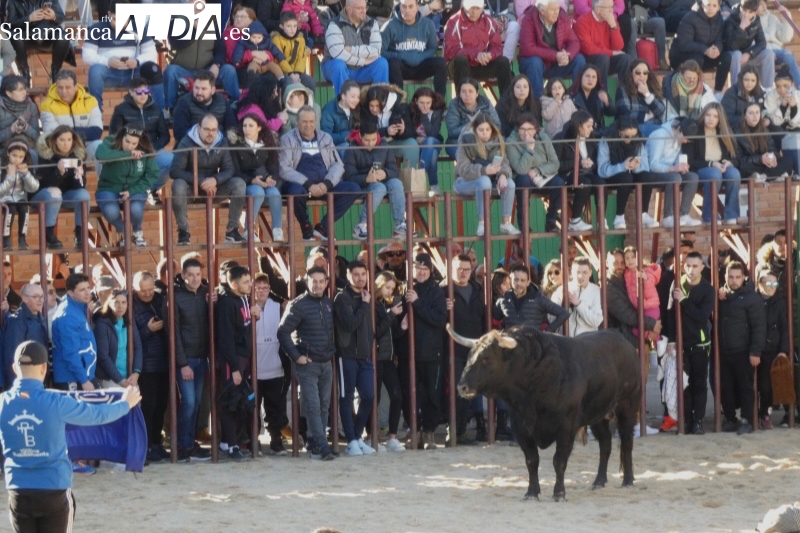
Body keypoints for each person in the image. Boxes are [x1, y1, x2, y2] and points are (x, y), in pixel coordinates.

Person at [0, 341, 141, 532]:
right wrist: (125, 404)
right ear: (44, 368)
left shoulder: (2, 403)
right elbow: (97, 415)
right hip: (53, 488)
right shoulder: (57, 402)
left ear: (15, 368)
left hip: (18, 491)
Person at [278, 266, 337, 461]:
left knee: (323, 405)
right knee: (312, 405)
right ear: (307, 282)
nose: (318, 285)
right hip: (307, 364)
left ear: (327, 283)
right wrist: (296, 356)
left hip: (326, 363)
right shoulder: (298, 305)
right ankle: (322, 446)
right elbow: (283, 332)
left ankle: (313, 441)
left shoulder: (328, 303)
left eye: (321, 281)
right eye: (314, 281)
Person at [279, 106, 363, 241]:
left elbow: (338, 164)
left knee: (353, 189)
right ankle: (306, 228)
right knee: (294, 192)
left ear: (316, 121)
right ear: (297, 122)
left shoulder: (325, 138)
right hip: (301, 187)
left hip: (325, 185)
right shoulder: (287, 139)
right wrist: (308, 184)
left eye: (311, 121)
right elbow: (284, 168)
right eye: (304, 122)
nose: (308, 125)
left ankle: (323, 227)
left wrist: (327, 184)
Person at [509, 113, 594, 233]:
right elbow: (521, 169)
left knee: (559, 183)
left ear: (535, 129)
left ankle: (551, 222)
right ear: (517, 129)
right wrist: (529, 149)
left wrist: (538, 170)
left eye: (529, 129)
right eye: (522, 129)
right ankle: (524, 225)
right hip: (523, 177)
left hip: (541, 175)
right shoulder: (511, 142)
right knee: (523, 180)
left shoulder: (543, 138)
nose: (526, 133)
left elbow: (555, 164)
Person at [170, 114, 246, 245]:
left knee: (239, 184)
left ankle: (232, 231)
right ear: (199, 128)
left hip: (214, 189)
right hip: (190, 189)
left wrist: (215, 180)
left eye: (213, 130)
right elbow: (175, 171)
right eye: (206, 129)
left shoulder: (222, 142)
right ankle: (183, 232)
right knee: (177, 185)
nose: (210, 133)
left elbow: (229, 169)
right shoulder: (186, 142)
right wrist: (200, 181)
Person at [666, 250, 714, 434]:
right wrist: (671, 340)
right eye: (688, 265)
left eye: (695, 266)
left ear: (702, 267)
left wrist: (684, 300)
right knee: (683, 384)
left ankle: (698, 420)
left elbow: (702, 317)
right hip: (681, 344)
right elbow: (670, 315)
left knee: (699, 383)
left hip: (700, 345)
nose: (691, 270)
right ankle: (686, 419)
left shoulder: (707, 289)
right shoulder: (677, 285)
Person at [81, 7, 164, 111]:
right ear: (109, 14)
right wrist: (107, 61)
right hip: (109, 73)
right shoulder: (97, 28)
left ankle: (160, 111)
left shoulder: (139, 28)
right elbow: (86, 55)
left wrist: (137, 61)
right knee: (95, 71)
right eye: (115, 19)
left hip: (133, 72)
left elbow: (152, 53)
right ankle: (96, 112)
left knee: (153, 68)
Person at [333, 260, 377, 456]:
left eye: (363, 274)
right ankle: (351, 440)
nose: (360, 278)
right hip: (347, 356)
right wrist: (365, 305)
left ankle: (357, 436)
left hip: (365, 357)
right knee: (346, 397)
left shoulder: (367, 296)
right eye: (356, 274)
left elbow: (370, 329)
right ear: (349, 276)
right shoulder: (342, 298)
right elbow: (350, 324)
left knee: (369, 395)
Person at [718, 260, 765, 435]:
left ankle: (746, 420)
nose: (734, 280)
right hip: (724, 351)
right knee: (726, 387)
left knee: (745, 387)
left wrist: (755, 351)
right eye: (731, 277)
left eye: (738, 277)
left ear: (744, 277)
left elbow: (759, 327)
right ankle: (730, 419)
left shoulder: (752, 298)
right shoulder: (722, 295)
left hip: (744, 351)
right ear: (725, 277)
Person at [455, 112, 521, 237]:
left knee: (510, 183)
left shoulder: (498, 141)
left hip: (491, 182)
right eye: (481, 130)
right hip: (465, 182)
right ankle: (482, 223)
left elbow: (504, 162)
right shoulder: (466, 142)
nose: (484, 133)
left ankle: (506, 222)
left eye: (487, 129)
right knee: (484, 181)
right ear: (475, 130)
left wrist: (502, 175)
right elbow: (463, 170)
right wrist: (484, 170)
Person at [444, 254, 487, 444]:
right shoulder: (444, 291)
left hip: (475, 349)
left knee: (469, 390)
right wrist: (443, 308)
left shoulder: (478, 289)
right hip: (452, 348)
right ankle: (452, 431)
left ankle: (460, 432)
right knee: (456, 392)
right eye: (459, 269)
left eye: (467, 269)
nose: (463, 273)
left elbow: (484, 318)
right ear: (451, 269)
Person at [406, 253, 448, 450]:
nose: (421, 272)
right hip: (410, 352)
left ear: (430, 271)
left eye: (425, 269)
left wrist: (417, 303)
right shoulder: (406, 289)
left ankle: (429, 432)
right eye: (418, 268)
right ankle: (414, 431)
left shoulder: (436, 291)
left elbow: (439, 319)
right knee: (411, 394)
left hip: (432, 352)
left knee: (432, 394)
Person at [174, 258, 212, 462]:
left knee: (196, 402)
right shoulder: (176, 297)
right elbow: (175, 333)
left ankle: (190, 444)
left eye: (198, 274)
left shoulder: (206, 293)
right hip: (186, 359)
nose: (195, 278)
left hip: (201, 357)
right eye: (191, 275)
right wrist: (182, 363)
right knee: (188, 402)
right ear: (183, 276)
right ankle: (182, 445)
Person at [215, 266, 256, 461]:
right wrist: (235, 368)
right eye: (246, 282)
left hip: (243, 358)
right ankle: (231, 446)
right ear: (234, 284)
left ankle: (227, 441)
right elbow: (226, 338)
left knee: (240, 402)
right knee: (231, 402)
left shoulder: (243, 299)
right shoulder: (226, 304)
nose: (250, 284)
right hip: (233, 360)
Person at [133, 271, 173, 463]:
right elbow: (131, 338)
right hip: (145, 364)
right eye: (143, 291)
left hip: (164, 361)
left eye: (150, 289)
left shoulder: (160, 299)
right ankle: (147, 445)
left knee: (161, 405)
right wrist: (147, 330)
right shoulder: (131, 304)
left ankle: (157, 443)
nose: (148, 294)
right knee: (147, 407)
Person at [95, 128, 159, 247]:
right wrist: (128, 154)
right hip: (109, 188)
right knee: (111, 211)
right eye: (127, 141)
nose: (130, 146)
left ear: (139, 142)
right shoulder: (110, 141)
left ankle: (137, 231)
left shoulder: (145, 150)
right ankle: (123, 232)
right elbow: (100, 155)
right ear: (121, 138)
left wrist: (132, 191)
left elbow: (152, 174)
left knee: (135, 208)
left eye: (134, 144)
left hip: (135, 189)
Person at [344, 120, 407, 240]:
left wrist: (385, 173)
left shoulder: (384, 146)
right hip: (363, 185)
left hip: (382, 179)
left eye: (373, 139)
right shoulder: (351, 149)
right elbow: (348, 176)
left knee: (397, 183)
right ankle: (361, 225)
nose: (371, 143)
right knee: (380, 187)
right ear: (360, 137)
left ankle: (400, 225)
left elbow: (394, 169)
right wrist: (366, 179)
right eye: (367, 140)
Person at [109, 78, 173, 196]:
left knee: (172, 160)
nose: (143, 95)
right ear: (131, 92)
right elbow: (115, 135)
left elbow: (165, 136)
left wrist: (152, 149)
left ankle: (151, 188)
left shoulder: (156, 109)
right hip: (130, 152)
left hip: (152, 150)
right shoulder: (121, 109)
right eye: (139, 92)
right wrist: (130, 150)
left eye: (146, 91)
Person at [32, 126, 91, 249]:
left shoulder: (76, 155)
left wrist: (78, 174)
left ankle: (80, 235)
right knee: (55, 192)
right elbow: (43, 182)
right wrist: (59, 173)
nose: (66, 144)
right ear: (55, 140)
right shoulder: (45, 154)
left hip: (65, 195)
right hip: (42, 194)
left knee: (84, 195)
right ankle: (49, 235)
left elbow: (79, 186)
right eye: (62, 140)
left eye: (69, 140)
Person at [228, 113, 284, 242]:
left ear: (259, 128)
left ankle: (277, 230)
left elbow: (274, 167)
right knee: (258, 193)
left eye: (250, 126)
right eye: (244, 126)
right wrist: (252, 180)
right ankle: (248, 231)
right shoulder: (235, 144)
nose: (247, 129)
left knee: (275, 193)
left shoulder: (267, 143)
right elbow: (234, 170)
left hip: (265, 180)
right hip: (246, 182)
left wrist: (271, 178)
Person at [684, 102, 742, 225]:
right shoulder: (695, 130)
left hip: (720, 166)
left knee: (734, 174)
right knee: (714, 175)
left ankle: (731, 216)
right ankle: (709, 217)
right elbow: (689, 160)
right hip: (702, 168)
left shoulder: (725, 132)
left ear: (720, 119)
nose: (711, 119)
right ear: (703, 115)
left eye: (715, 116)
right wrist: (711, 163)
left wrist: (729, 162)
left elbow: (737, 157)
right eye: (708, 115)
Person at [252, 273, 289, 456]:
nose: (261, 291)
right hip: (255, 368)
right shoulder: (248, 307)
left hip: (275, 367)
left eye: (265, 287)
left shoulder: (279, 307)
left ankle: (275, 440)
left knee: (274, 406)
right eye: (257, 288)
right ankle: (254, 441)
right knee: (253, 407)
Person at [518, 0, 586, 99]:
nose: (556, 12)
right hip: (534, 66)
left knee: (579, 59)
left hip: (556, 64)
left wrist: (568, 55)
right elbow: (528, 48)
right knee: (535, 62)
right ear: (542, 11)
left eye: (557, 8)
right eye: (553, 10)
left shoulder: (562, 17)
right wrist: (555, 55)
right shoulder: (529, 18)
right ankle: (537, 103)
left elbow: (574, 42)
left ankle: (578, 100)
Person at [443, 0, 512, 95]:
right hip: (459, 67)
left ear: (482, 8)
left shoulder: (489, 21)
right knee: (461, 60)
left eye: (477, 8)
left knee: (503, 62)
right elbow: (451, 50)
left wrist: (489, 55)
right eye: (471, 8)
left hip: (482, 64)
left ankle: (507, 104)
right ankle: (461, 104)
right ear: (464, 6)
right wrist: (476, 55)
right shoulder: (453, 22)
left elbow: (497, 47)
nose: (474, 12)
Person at [322, 0, 389, 95]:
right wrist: (362, 61)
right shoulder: (334, 25)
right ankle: (343, 104)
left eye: (365, 7)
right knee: (338, 65)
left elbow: (376, 50)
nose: (364, 11)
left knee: (381, 63)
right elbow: (338, 54)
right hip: (337, 67)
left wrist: (352, 50)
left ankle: (381, 102)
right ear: (349, 10)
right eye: (360, 8)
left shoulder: (372, 23)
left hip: (362, 69)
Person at [163, 28, 239, 111]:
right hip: (184, 70)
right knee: (170, 71)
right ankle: (170, 109)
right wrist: (194, 28)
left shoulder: (212, 25)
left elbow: (220, 50)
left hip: (207, 69)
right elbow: (176, 44)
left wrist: (216, 64)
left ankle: (235, 104)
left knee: (228, 70)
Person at [382, 0, 447, 96]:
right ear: (399, 7)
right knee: (393, 63)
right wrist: (400, 55)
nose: (407, 10)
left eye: (411, 7)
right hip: (401, 68)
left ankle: (439, 102)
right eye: (404, 6)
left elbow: (433, 47)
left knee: (440, 62)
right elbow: (380, 51)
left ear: (417, 7)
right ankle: (399, 102)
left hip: (421, 66)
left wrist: (420, 57)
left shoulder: (428, 24)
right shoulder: (389, 26)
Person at [646, 117, 702, 228]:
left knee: (693, 177)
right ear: (679, 129)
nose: (685, 141)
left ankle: (684, 214)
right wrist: (673, 169)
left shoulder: (678, 138)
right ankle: (668, 217)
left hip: (670, 171)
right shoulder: (660, 135)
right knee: (675, 178)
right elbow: (652, 164)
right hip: (652, 173)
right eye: (685, 138)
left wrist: (682, 166)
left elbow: (676, 159)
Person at [669, 0, 730, 96]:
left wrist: (717, 49)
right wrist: (705, 50)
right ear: (702, 5)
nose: (711, 8)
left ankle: (718, 92)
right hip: (682, 56)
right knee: (697, 59)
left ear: (718, 7)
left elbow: (719, 39)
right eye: (708, 5)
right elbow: (684, 44)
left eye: (714, 6)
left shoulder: (718, 20)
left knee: (726, 57)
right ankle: (695, 92)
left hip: (704, 55)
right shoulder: (690, 18)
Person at [373, 271, 404, 452]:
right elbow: (377, 332)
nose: (390, 291)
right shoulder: (373, 304)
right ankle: (372, 437)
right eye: (387, 287)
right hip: (376, 358)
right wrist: (391, 314)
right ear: (379, 285)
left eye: (392, 289)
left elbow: (393, 334)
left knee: (397, 395)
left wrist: (403, 327)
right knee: (373, 399)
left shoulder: (388, 304)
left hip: (388, 358)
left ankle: (392, 437)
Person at [39, 71, 103, 158]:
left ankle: (103, 172)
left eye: (68, 87)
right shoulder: (47, 105)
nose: (63, 91)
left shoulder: (90, 101)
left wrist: (67, 132)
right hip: (61, 150)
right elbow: (53, 134)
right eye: (60, 87)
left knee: (99, 146)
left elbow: (96, 132)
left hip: (86, 147)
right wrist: (81, 132)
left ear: (76, 87)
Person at [6, 0, 72, 82]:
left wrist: (54, 16)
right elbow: (10, 24)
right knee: (14, 36)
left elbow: (61, 17)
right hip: (25, 37)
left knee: (63, 37)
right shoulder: (14, 1)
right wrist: (29, 19)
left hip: (47, 34)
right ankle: (24, 74)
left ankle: (55, 73)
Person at [51, 273, 97, 392]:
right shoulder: (68, 316)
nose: (88, 292)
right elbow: (70, 352)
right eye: (82, 290)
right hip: (73, 379)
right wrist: (84, 381)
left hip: (81, 376)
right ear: (71, 293)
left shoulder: (78, 309)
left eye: (88, 288)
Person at [755, 270, 788, 430]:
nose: (772, 287)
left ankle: (764, 414)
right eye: (768, 283)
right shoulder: (753, 299)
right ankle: (752, 415)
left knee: (766, 385)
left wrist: (783, 350)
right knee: (751, 384)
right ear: (759, 283)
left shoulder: (779, 302)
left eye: (774, 283)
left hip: (771, 349)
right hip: (753, 347)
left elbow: (784, 328)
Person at [574, 0, 632, 88]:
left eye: (612, 7)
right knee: (603, 58)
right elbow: (589, 49)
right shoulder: (582, 21)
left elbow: (618, 47)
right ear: (597, 9)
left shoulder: (611, 21)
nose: (611, 11)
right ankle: (602, 94)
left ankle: (623, 95)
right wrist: (611, 53)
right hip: (588, 59)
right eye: (608, 8)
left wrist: (613, 27)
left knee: (625, 58)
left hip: (606, 58)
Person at [495, 262, 569, 331]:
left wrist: (545, 332)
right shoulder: (503, 299)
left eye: (522, 280)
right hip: (511, 343)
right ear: (511, 281)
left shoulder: (538, 298)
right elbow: (494, 322)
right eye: (516, 280)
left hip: (532, 343)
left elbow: (563, 314)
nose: (519, 284)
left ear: (528, 282)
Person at [360, 84, 419, 168]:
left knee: (412, 144)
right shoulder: (364, 108)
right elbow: (363, 131)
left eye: (377, 105)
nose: (374, 109)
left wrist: (403, 131)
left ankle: (412, 178)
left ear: (384, 101)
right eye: (371, 106)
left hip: (393, 143)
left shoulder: (400, 105)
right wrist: (386, 131)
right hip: (372, 144)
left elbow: (412, 131)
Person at [172, 70, 237, 145]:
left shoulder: (223, 102)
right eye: (196, 88)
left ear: (213, 90)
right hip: (192, 149)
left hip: (219, 148)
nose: (199, 92)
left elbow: (231, 129)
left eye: (203, 89)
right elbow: (180, 134)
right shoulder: (183, 103)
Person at [94, 290, 142, 390]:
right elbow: (103, 356)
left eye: (124, 302)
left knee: (136, 403)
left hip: (129, 377)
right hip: (109, 378)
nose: (120, 306)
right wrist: (120, 380)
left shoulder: (128, 321)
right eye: (116, 302)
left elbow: (137, 347)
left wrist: (136, 373)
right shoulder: (102, 324)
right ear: (109, 303)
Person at [2, 284, 49, 389]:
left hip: (39, 379)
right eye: (36, 297)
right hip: (23, 383)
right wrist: (17, 385)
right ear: (24, 298)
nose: (40, 300)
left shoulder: (40, 317)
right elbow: (12, 356)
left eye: (42, 297)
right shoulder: (17, 321)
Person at [723, 0, 774, 93]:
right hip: (731, 56)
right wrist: (741, 28)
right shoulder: (731, 19)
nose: (746, 15)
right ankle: (737, 90)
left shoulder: (756, 20)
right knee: (737, 54)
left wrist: (749, 53)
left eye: (750, 12)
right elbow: (731, 46)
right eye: (744, 11)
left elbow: (762, 42)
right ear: (740, 8)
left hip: (746, 56)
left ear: (755, 12)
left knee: (768, 53)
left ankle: (768, 91)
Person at [736, 103, 794, 182]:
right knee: (743, 167)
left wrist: (772, 158)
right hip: (752, 165)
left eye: (757, 112)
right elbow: (740, 159)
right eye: (751, 113)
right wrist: (760, 159)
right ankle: (775, 175)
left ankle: (764, 176)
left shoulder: (764, 130)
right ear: (745, 116)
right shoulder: (738, 133)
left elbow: (772, 148)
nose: (755, 116)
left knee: (788, 160)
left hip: (765, 166)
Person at [444, 78, 501, 159]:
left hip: (486, 141)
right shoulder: (454, 104)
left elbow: (497, 125)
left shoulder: (485, 102)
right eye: (463, 91)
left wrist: (484, 131)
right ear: (459, 94)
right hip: (459, 142)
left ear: (477, 93)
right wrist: (471, 128)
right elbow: (452, 131)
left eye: (471, 91)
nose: (467, 94)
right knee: (460, 153)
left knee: (502, 148)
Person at [551, 256, 603, 336]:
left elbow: (596, 321)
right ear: (571, 272)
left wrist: (578, 304)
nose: (580, 276)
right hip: (565, 341)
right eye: (577, 272)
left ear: (590, 273)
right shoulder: (561, 290)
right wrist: (562, 304)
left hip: (586, 342)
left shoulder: (596, 291)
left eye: (584, 272)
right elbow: (551, 319)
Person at [0, 141, 38, 250]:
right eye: (14, 155)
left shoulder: (24, 168)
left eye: (21, 157)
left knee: (24, 208)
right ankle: (6, 239)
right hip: (4, 199)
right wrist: (10, 176)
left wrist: (26, 174)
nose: (17, 159)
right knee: (10, 209)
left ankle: (22, 238)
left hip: (20, 197)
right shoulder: (2, 168)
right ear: (8, 153)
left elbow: (34, 187)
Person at [623, 245, 662, 347]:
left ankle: (659, 340)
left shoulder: (646, 271)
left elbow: (649, 293)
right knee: (636, 331)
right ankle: (653, 341)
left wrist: (645, 279)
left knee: (641, 330)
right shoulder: (627, 273)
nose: (630, 260)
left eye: (633, 257)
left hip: (651, 307)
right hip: (640, 308)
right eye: (627, 258)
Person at [409, 87, 446, 194]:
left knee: (429, 140)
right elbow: (410, 131)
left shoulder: (436, 113)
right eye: (421, 103)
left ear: (432, 101)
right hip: (419, 146)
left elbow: (432, 134)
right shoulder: (411, 110)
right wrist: (416, 138)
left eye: (428, 103)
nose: (425, 106)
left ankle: (420, 173)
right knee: (433, 155)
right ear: (416, 101)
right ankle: (434, 186)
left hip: (435, 142)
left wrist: (424, 116)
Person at [616, 59, 665, 137]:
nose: (642, 76)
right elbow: (625, 112)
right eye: (638, 73)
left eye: (645, 73)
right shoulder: (623, 89)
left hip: (654, 124)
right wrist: (647, 116)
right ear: (631, 73)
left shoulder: (652, 88)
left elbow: (661, 110)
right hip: (633, 126)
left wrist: (647, 94)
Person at [765, 68, 800, 175]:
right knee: (780, 134)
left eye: (786, 86)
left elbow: (795, 123)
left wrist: (794, 107)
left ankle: (796, 170)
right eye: (778, 86)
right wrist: (783, 106)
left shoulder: (798, 95)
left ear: (792, 84)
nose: (782, 90)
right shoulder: (771, 96)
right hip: (778, 128)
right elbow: (774, 122)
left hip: (795, 128)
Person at [758, 0, 800, 88]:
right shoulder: (751, 20)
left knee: (788, 54)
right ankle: (767, 89)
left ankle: (799, 85)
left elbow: (785, 37)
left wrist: (786, 16)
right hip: (761, 51)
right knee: (769, 54)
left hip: (777, 51)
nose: (763, 5)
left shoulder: (772, 18)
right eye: (759, 3)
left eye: (764, 3)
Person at [232, 20, 286, 88]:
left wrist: (281, 58)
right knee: (252, 65)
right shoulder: (245, 42)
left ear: (263, 36)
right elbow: (239, 50)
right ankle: (251, 75)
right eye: (253, 37)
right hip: (254, 62)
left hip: (266, 63)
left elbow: (274, 49)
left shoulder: (267, 42)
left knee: (274, 66)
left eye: (259, 37)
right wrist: (237, 60)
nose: (256, 40)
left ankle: (281, 78)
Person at [272, 11, 316, 91]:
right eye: (288, 26)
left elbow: (301, 58)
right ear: (281, 26)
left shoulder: (300, 40)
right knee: (288, 83)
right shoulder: (276, 40)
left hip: (297, 72)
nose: (292, 29)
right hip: (282, 72)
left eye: (295, 26)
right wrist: (291, 74)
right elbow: (280, 60)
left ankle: (308, 103)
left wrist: (297, 73)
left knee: (310, 82)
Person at [0, 75, 40, 158]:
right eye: (20, 90)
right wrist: (11, 129)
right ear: (9, 93)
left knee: (33, 155)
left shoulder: (31, 106)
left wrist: (26, 127)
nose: (24, 93)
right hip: (4, 147)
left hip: (27, 147)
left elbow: (37, 136)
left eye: (24, 89)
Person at [572, 64, 615, 132]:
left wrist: (607, 103)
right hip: (578, 131)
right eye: (587, 76)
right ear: (581, 77)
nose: (590, 79)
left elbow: (611, 112)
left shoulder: (600, 93)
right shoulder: (572, 94)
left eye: (594, 77)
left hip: (598, 131)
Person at [321, 80, 361, 150]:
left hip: (354, 143)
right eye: (353, 96)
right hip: (334, 147)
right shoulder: (329, 110)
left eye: (358, 97)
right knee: (347, 149)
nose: (356, 100)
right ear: (343, 96)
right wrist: (347, 135)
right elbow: (325, 136)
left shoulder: (357, 108)